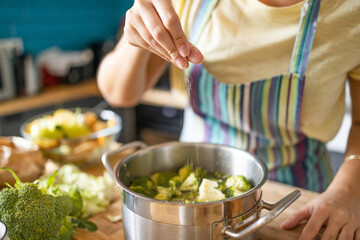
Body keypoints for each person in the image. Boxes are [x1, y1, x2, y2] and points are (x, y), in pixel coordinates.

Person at [97, 0, 360, 239]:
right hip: (185, 202)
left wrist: (348, 191)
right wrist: (138, 36)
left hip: (299, 199)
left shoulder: (351, 12)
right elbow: (118, 93)